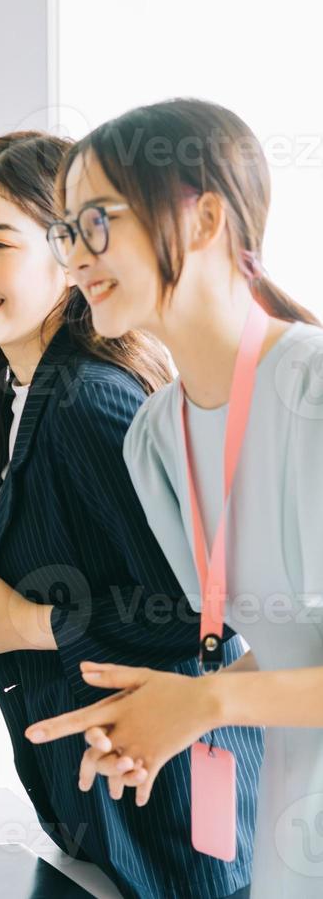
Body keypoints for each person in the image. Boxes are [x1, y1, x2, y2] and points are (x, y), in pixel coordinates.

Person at [0, 132, 259, 898]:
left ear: (73, 262)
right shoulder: (28, 392)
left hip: (177, 821)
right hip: (114, 820)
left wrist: (22, 624)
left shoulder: (89, 399)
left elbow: (203, 610)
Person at [26, 98, 323, 896]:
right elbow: (301, 650)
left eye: (96, 222)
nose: (75, 257)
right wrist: (176, 709)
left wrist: (207, 701)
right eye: (65, 233)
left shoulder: (313, 391)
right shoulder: (156, 435)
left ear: (206, 217)